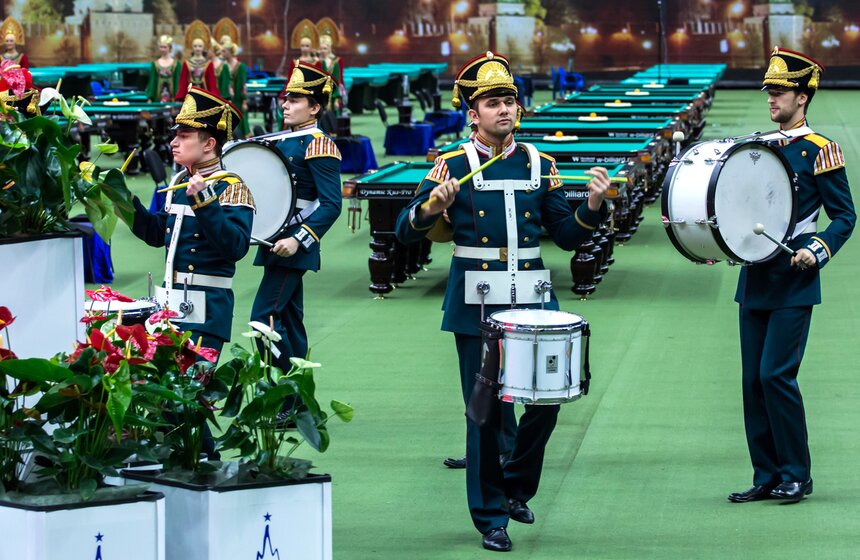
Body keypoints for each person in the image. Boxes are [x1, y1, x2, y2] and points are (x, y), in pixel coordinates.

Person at [394, 52, 610, 552]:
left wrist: (592, 206)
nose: (504, 110)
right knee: (485, 414)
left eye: (509, 101)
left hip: (535, 299)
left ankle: (514, 485)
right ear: (473, 113)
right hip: (476, 305)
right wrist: (431, 207)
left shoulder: (540, 162)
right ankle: (491, 515)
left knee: (548, 401)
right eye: (492, 103)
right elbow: (407, 231)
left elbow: (566, 234)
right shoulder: (449, 164)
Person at [728, 47, 855, 505]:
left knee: (775, 375)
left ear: (802, 97)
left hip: (794, 279)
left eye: (779, 91)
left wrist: (816, 250)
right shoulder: (759, 147)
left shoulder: (822, 151)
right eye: (770, 92)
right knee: (751, 381)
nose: (771, 99)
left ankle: (797, 473)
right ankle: (765, 474)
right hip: (755, 279)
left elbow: (844, 216)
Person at [126, 86, 253, 357]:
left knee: (195, 392)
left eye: (184, 136)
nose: (173, 143)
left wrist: (205, 201)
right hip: (169, 303)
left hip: (206, 308)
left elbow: (236, 248)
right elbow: (157, 233)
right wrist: (123, 202)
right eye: (175, 136)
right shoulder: (180, 182)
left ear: (209, 144)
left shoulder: (231, 187)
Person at [249, 62, 342, 402]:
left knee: (262, 320)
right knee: (290, 320)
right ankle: (299, 400)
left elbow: (332, 205)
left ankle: (284, 399)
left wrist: (298, 239)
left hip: (293, 246)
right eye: (285, 99)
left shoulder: (318, 144)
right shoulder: (284, 139)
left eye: (295, 100)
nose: (285, 104)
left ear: (315, 107)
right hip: (274, 241)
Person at [177, 20, 217, 100]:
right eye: (195, 46)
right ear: (192, 47)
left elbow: (211, 82)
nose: (197, 48)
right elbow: (183, 81)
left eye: (200, 46)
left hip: (205, 96)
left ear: (203, 47)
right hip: (190, 95)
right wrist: (181, 97)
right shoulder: (187, 63)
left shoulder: (208, 64)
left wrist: (215, 97)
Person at [217, 40, 249, 138]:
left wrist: (244, 100)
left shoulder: (241, 66)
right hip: (226, 100)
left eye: (224, 51)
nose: (222, 53)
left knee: (240, 120)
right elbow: (220, 83)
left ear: (230, 52)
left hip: (238, 99)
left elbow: (243, 84)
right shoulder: (222, 67)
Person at [146, 35, 181, 102]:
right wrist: (150, 97)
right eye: (161, 47)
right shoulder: (155, 64)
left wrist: (178, 97)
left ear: (169, 48)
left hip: (172, 99)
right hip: (158, 98)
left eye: (165, 47)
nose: (163, 49)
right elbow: (152, 82)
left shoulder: (176, 64)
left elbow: (177, 81)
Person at [317, 35, 344, 115]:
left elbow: (339, 79)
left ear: (330, 48)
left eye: (325, 48)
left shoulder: (336, 61)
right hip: (321, 93)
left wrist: (337, 98)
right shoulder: (318, 62)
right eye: (321, 49)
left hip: (334, 92)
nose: (322, 51)